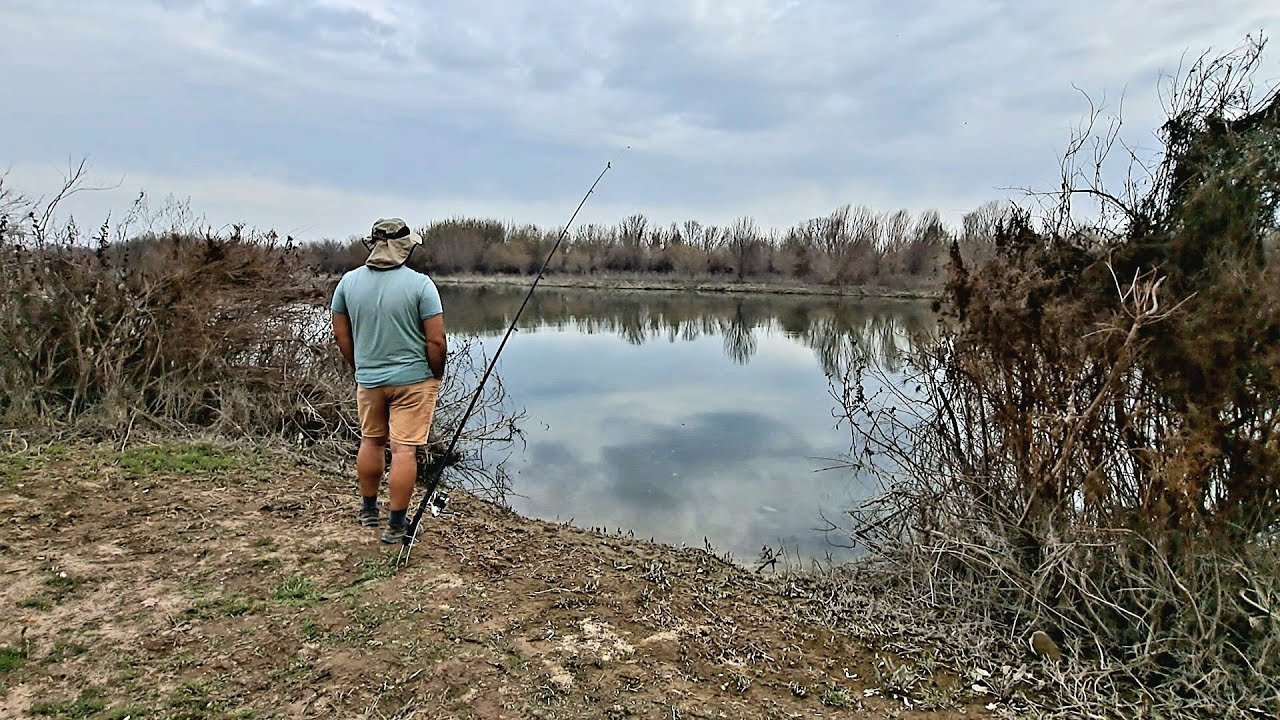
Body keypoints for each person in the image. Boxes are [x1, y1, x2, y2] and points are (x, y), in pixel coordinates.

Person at [330, 218, 447, 544]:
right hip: (413, 382)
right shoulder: (422, 286)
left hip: (369, 379)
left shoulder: (347, 284)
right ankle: (397, 524)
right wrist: (435, 374)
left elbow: (341, 333)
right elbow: (436, 341)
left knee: (371, 441)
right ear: (405, 247)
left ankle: (368, 511)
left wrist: (360, 366)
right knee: (404, 450)